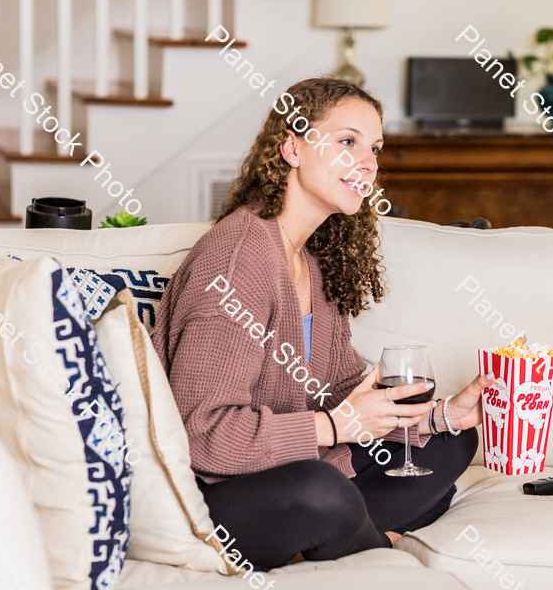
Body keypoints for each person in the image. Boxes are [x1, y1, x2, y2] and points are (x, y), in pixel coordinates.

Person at [153, 76, 490, 570]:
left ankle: (344, 534)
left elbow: (342, 389)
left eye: (374, 148)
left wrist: (439, 416)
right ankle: (374, 542)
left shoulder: (310, 259)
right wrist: (337, 426)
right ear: (292, 147)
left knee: (455, 441)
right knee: (323, 493)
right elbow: (202, 434)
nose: (369, 163)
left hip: (293, 466)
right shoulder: (239, 256)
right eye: (347, 142)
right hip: (219, 494)